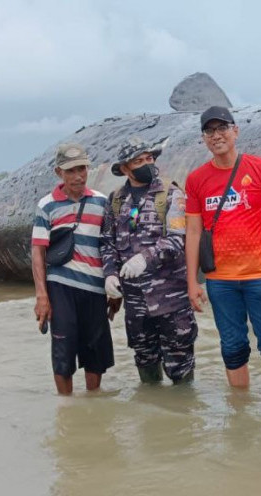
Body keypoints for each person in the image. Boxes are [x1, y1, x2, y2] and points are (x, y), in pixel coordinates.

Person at [185, 106, 261, 390]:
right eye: (209, 131)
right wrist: (192, 283)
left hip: (260, 276)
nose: (216, 135)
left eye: (222, 128)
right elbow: (194, 231)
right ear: (204, 139)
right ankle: (240, 415)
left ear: (235, 131)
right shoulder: (196, 180)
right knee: (232, 347)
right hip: (220, 281)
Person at [100, 137, 197, 384]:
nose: (147, 164)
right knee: (145, 362)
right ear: (124, 168)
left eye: (149, 158)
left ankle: (183, 417)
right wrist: (110, 273)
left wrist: (145, 259)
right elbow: (107, 242)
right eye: (139, 161)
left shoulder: (171, 194)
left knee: (180, 365)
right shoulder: (116, 200)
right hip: (135, 304)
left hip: (171, 301)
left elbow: (177, 239)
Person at [31, 143, 115, 395]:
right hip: (61, 287)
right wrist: (42, 295)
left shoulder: (101, 202)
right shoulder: (46, 206)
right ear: (59, 173)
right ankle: (66, 406)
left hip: (95, 287)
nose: (78, 176)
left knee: (95, 351)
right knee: (63, 351)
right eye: (71, 171)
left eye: (82, 169)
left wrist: (114, 288)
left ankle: (92, 402)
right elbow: (38, 251)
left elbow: (109, 246)